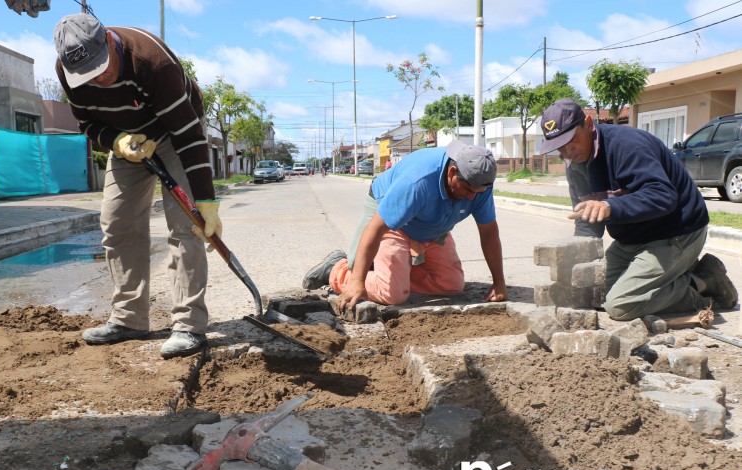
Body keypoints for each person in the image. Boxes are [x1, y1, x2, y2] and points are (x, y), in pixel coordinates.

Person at [54, 13, 221, 358]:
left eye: (102, 66)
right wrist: (116, 141)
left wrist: (205, 200)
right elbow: (87, 123)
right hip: (128, 140)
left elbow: (190, 137)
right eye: (89, 74)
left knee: (186, 226)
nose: (98, 78)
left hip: (175, 134)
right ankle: (129, 319)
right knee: (117, 224)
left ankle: (189, 325)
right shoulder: (68, 70)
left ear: (108, 42)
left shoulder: (151, 61)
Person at [539, 98, 738, 320]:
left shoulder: (626, 145)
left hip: (676, 231)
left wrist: (609, 206)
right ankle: (683, 275)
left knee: (621, 305)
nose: (568, 151)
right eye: (559, 146)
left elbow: (663, 196)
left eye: (571, 140)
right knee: (598, 293)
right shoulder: (574, 165)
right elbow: (587, 223)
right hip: (632, 239)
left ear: (587, 123)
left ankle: (705, 285)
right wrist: (571, 265)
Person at [302, 141, 508, 311]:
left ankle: (394, 273)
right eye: (467, 189)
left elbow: (489, 232)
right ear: (452, 171)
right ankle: (335, 269)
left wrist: (499, 283)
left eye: (478, 192)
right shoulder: (417, 182)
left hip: (433, 224)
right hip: (394, 222)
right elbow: (376, 228)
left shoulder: (479, 183)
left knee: (451, 284)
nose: (471, 197)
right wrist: (356, 281)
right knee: (391, 294)